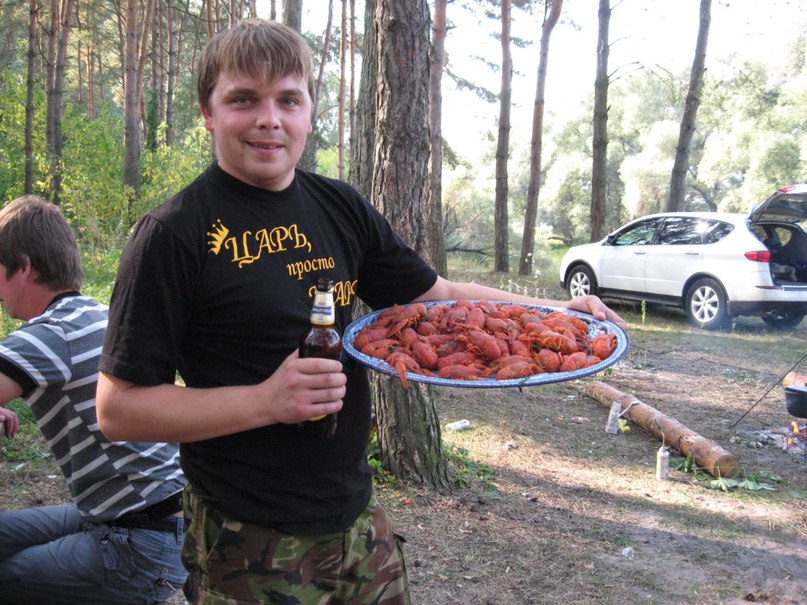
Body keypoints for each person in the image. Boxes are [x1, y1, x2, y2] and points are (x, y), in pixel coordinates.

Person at [95, 19, 628, 605]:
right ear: (208, 113)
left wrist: (558, 310)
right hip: (245, 535)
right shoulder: (173, 234)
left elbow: (438, 297)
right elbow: (120, 410)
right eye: (243, 99)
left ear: (309, 112)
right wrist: (265, 401)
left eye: (288, 100)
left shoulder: (339, 206)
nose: (269, 118)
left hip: (356, 519)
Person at [0, 195, 188, 605]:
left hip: (140, 545)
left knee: (9, 579)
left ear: (24, 267)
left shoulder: (50, 334)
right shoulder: (99, 314)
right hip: (157, 519)